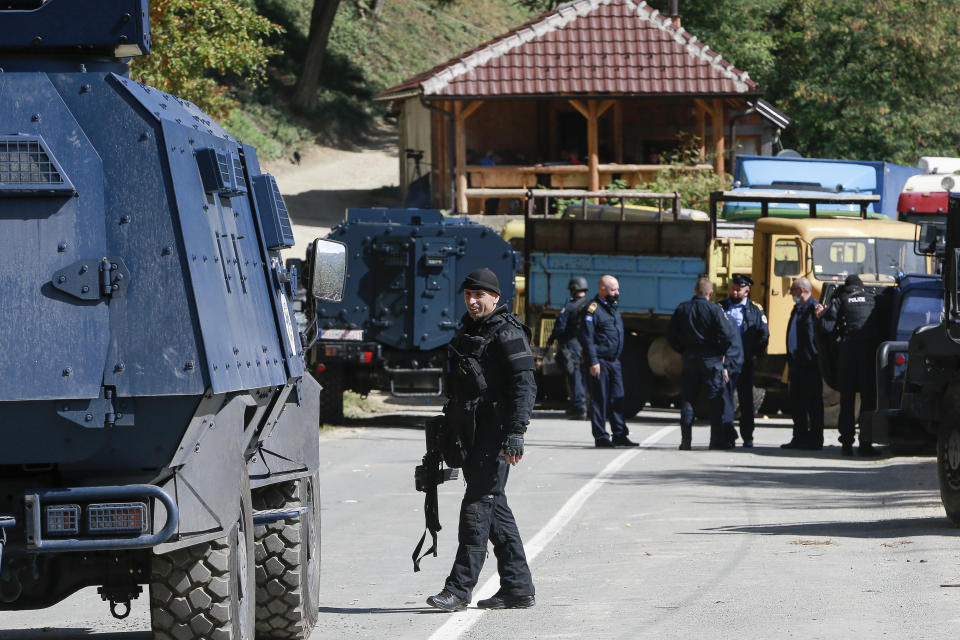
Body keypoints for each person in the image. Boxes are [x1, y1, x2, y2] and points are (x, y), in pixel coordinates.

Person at [426, 268, 537, 612]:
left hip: (496, 434)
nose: (473, 302)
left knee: (476, 508)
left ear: (495, 298)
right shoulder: (469, 332)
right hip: (471, 435)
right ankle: (518, 588)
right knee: (493, 506)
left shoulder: (507, 333)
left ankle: (459, 589)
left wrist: (517, 432)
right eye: (468, 296)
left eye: (480, 296)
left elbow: (525, 384)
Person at [667, 277, 737, 450]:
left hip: (690, 358)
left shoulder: (682, 309)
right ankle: (715, 441)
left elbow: (671, 336)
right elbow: (727, 335)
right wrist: (720, 352)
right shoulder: (714, 310)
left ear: (695, 290)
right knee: (715, 400)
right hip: (711, 360)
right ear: (710, 293)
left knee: (688, 399)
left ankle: (686, 441)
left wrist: (683, 350)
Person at [816, 274, 879, 456]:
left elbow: (827, 328)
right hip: (868, 355)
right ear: (861, 287)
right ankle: (866, 444)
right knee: (868, 400)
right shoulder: (872, 299)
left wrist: (821, 316)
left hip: (848, 355)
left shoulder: (841, 299)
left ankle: (846, 445)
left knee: (847, 401)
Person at [578, 275, 638, 448]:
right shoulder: (592, 309)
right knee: (599, 399)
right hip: (600, 362)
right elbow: (587, 338)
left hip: (614, 362)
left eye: (617, 289)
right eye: (613, 290)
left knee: (618, 398)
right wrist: (593, 361)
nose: (617, 293)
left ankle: (620, 434)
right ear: (602, 289)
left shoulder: (612, 308)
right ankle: (601, 437)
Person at [719, 274, 769, 447]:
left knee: (746, 400)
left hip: (746, 360)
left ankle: (748, 436)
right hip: (727, 361)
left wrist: (756, 353)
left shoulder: (755, 309)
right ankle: (727, 435)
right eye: (733, 288)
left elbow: (764, 334)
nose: (734, 291)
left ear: (747, 290)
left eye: (738, 289)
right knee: (725, 399)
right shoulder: (722, 307)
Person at [782, 277, 824, 450]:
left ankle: (815, 439)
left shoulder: (815, 309)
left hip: (811, 364)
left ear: (801, 290)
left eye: (792, 289)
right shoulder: (797, 309)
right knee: (797, 403)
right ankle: (798, 437)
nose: (790, 293)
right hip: (796, 363)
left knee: (813, 404)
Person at [547, 276, 590, 419]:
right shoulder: (590, 305)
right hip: (584, 344)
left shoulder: (570, 306)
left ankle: (578, 407)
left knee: (574, 375)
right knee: (582, 375)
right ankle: (580, 405)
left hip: (570, 344)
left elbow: (560, 326)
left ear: (573, 289)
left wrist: (551, 339)